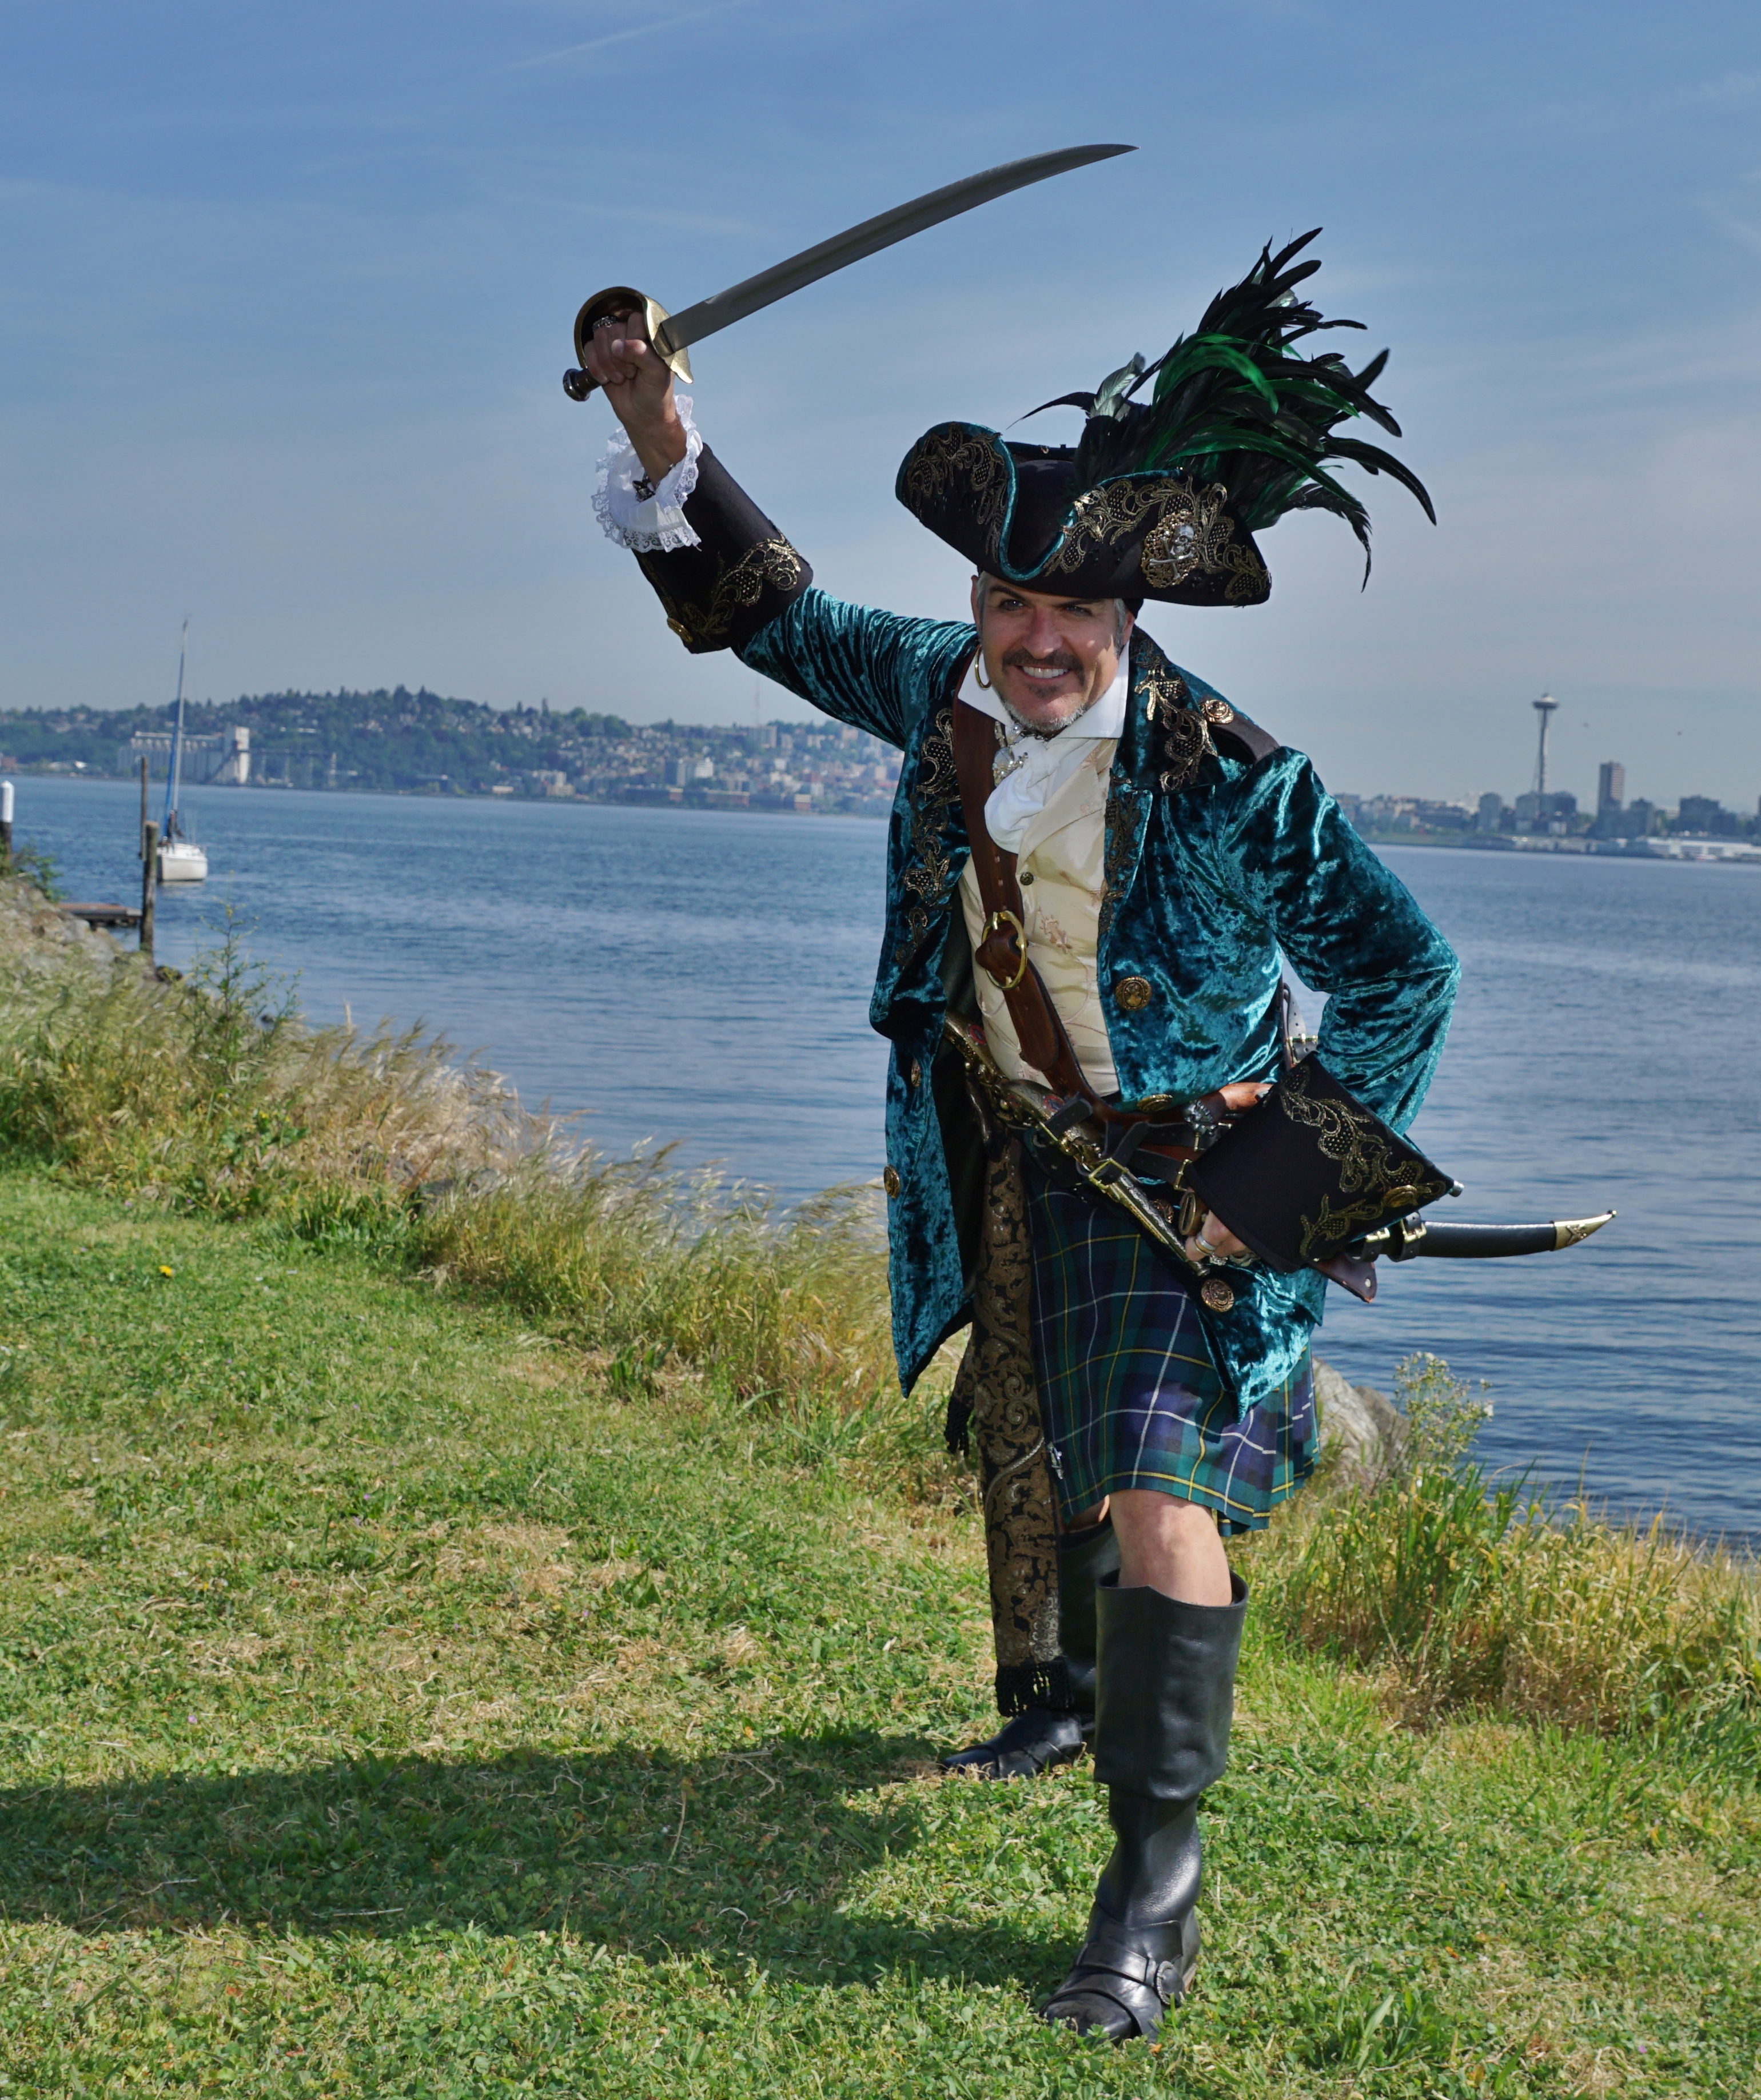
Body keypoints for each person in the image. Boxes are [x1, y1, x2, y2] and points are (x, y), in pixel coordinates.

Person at [578, 233, 1459, 2043]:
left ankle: (1153, 1886)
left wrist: (1281, 1191)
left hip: (1191, 1187)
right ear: (979, 602)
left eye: (1075, 612)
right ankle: (1059, 1697)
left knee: (1157, 1482)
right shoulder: (937, 690)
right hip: (1011, 1148)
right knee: (1037, 1434)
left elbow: (1405, 972)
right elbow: (771, 610)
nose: (1038, 639)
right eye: (1008, 603)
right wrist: (661, 422)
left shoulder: (1240, 778)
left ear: (1131, 618)